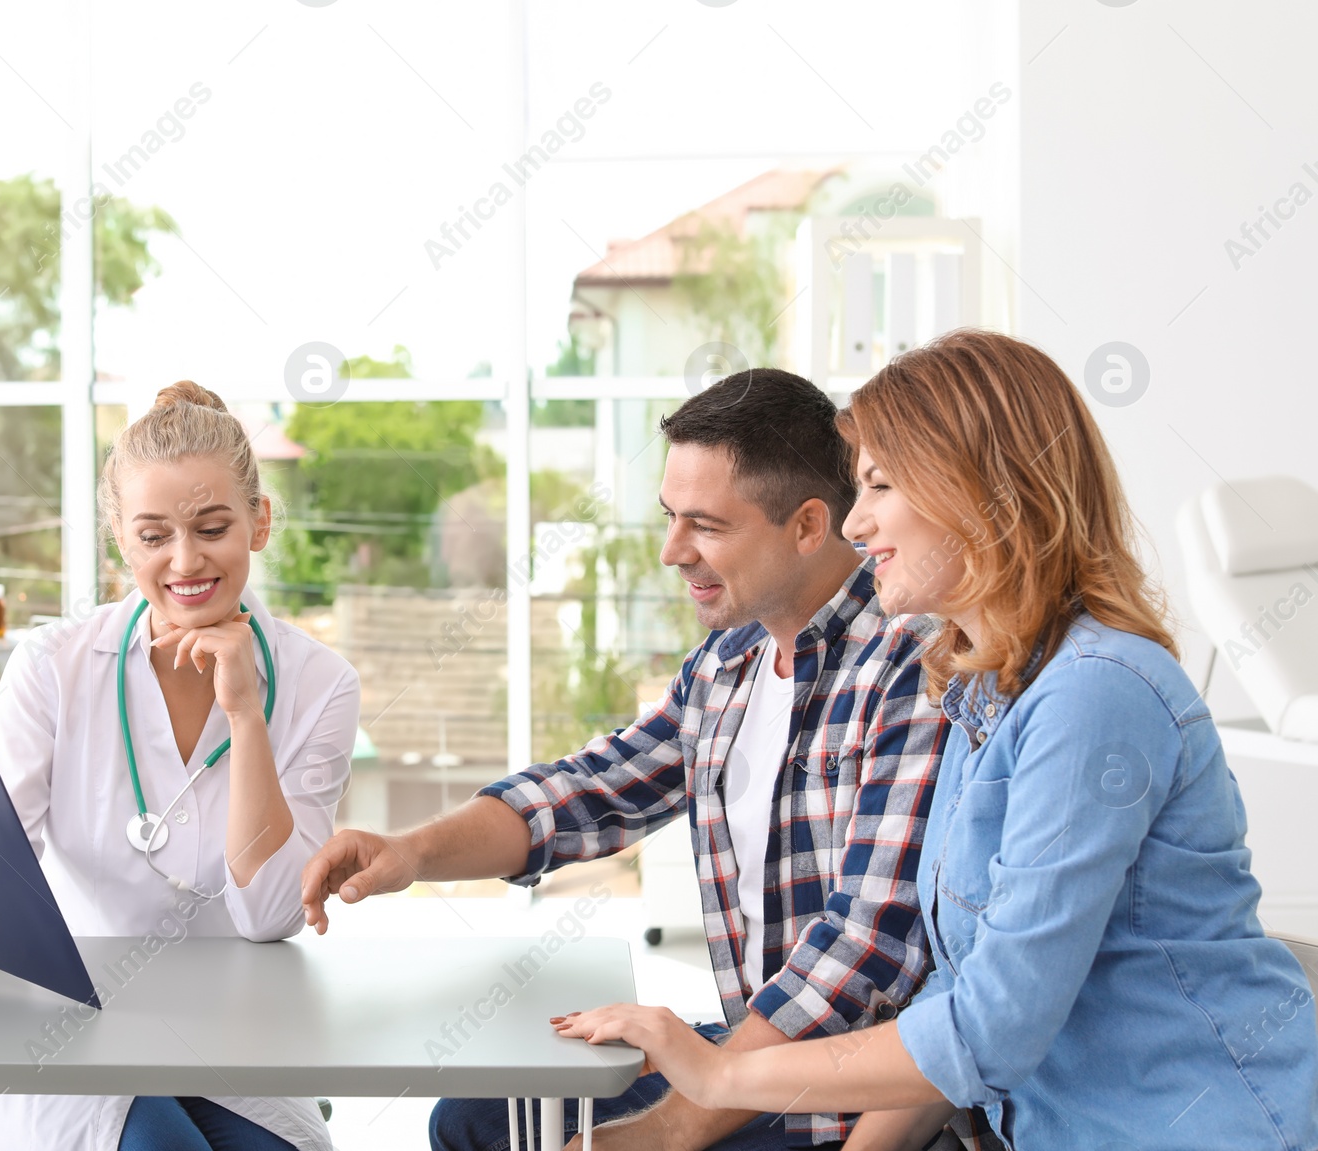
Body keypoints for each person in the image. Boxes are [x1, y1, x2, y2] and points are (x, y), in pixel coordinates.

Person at [551, 330, 1318, 1151]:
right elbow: (955, 996)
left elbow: (987, 1032)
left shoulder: (1096, 692)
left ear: (982, 492)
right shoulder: (981, 692)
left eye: (880, 484)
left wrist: (718, 1074)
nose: (856, 521)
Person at [301, 369, 965, 1150]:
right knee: (475, 1120)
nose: (671, 550)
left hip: (844, 1099)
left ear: (809, 525)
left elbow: (862, 952)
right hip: (748, 1048)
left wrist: (664, 1134)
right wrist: (410, 851)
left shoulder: (913, 670)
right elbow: (589, 793)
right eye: (669, 517)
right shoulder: (728, 664)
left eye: (705, 525)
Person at [0, 381, 361, 1151]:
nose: (186, 560)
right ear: (119, 542)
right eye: (154, 534)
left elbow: (267, 917)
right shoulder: (52, 665)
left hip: (232, 1032)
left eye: (213, 527)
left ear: (258, 523)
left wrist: (246, 714)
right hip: (63, 1022)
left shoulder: (322, 683)